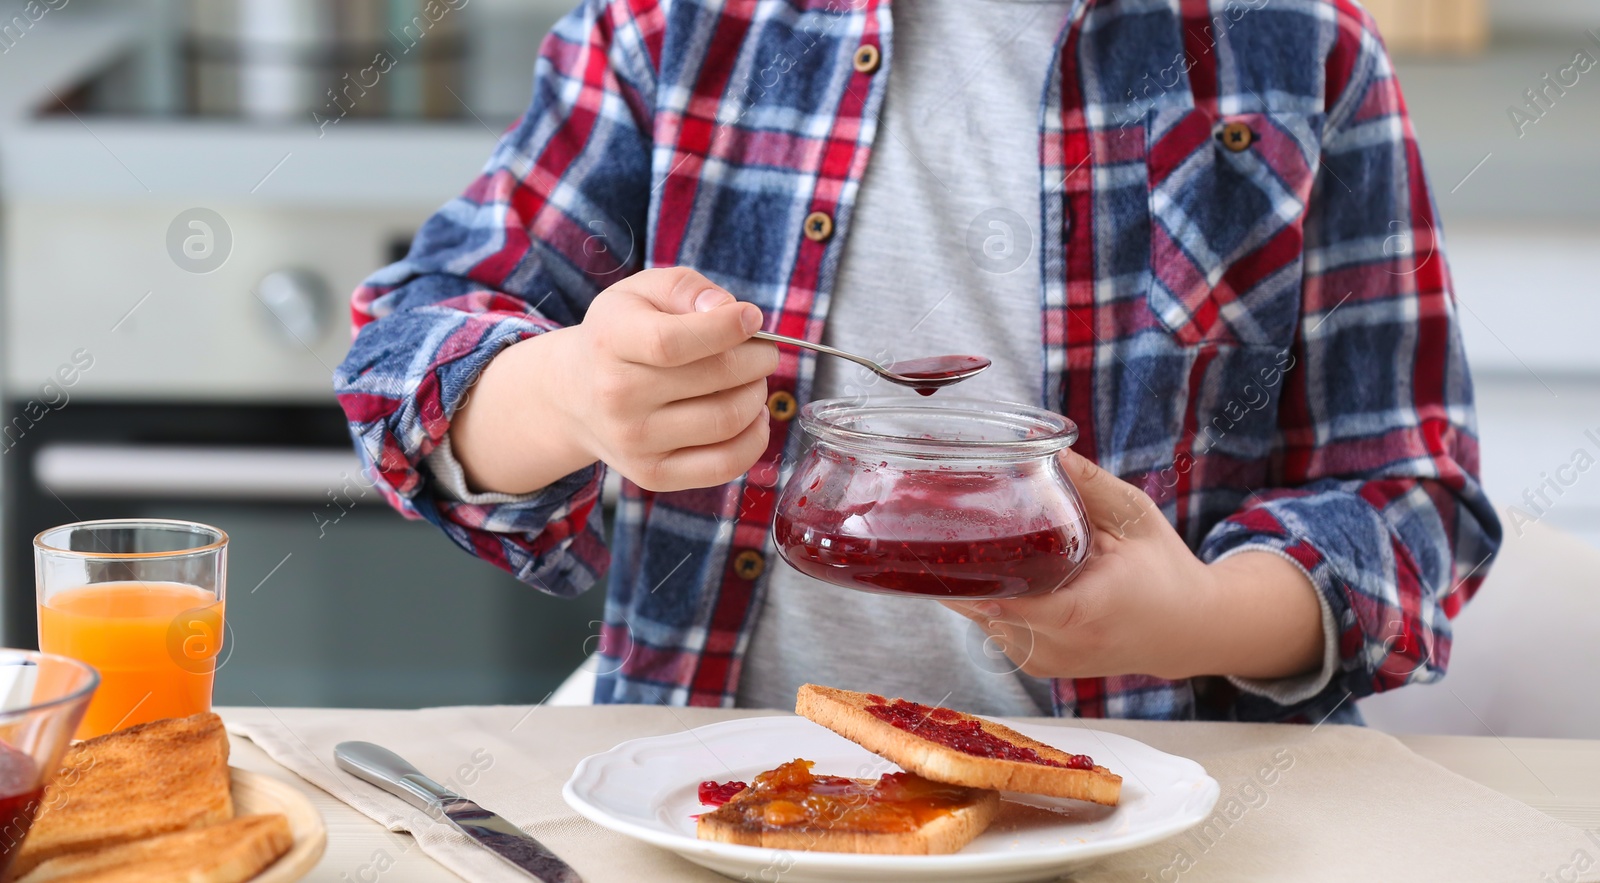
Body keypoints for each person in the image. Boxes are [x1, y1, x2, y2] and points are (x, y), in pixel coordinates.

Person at [334, 0, 1500, 724]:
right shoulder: (670, 26)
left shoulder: (1299, 47)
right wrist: (570, 391)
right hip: (715, 790)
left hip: (1152, 808)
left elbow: (1412, 501)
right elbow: (407, 351)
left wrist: (1197, 617)